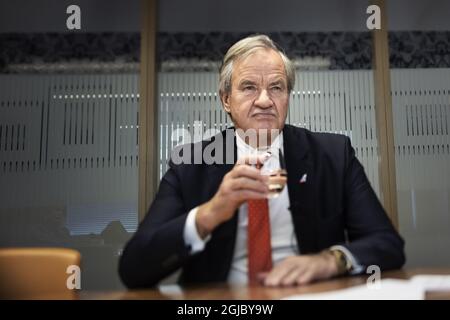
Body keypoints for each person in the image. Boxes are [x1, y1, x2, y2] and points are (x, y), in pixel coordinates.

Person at [119, 34, 405, 288]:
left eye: (277, 88)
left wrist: (331, 260)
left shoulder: (333, 154)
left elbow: (387, 244)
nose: (265, 100)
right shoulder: (190, 164)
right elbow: (133, 269)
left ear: (288, 97)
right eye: (249, 87)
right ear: (226, 100)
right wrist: (211, 213)